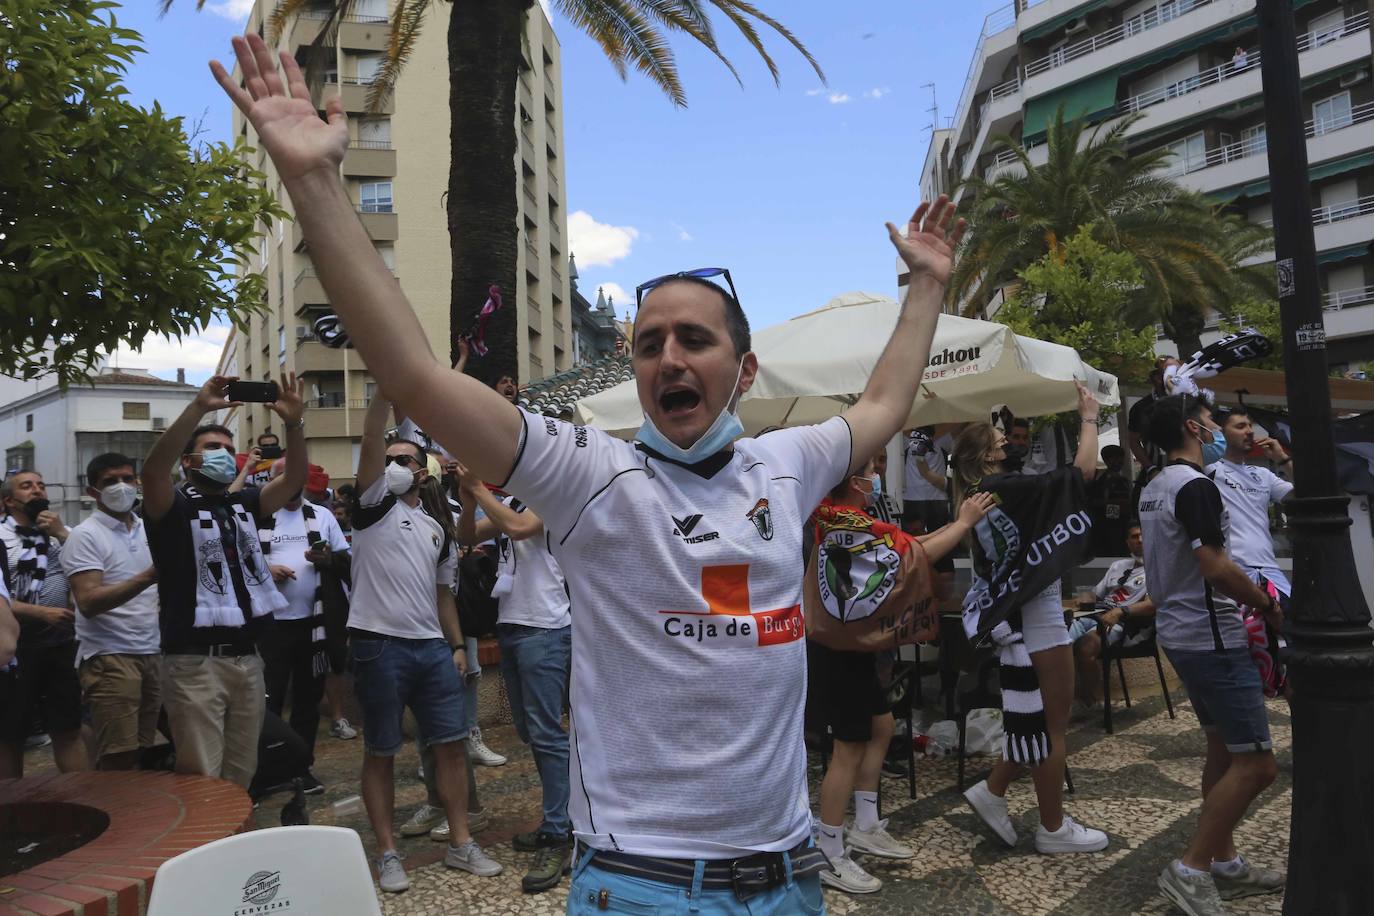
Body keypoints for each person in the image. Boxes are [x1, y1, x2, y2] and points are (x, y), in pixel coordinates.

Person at [212, 40, 959, 909]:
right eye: (648, 345)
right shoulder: (586, 472)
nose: (667, 357)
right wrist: (312, 181)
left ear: (743, 371)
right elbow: (416, 375)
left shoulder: (787, 463)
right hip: (643, 882)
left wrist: (925, 290)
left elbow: (882, 406)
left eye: (694, 339)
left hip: (785, 872)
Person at [811, 458, 994, 894]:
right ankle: (829, 848)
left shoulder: (848, 519)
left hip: (853, 647)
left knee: (882, 725)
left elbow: (907, 543)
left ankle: (867, 823)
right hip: (838, 652)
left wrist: (953, 524)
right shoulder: (848, 526)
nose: (877, 476)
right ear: (856, 482)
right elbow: (918, 553)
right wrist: (964, 522)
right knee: (848, 747)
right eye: (871, 469)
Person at [1139, 395, 1285, 914]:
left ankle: (1224, 862)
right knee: (1258, 765)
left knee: (1222, 751)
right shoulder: (1196, 486)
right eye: (1208, 420)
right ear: (1192, 428)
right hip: (1213, 637)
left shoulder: (1154, 486)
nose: (1215, 427)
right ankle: (1191, 867)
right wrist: (1267, 604)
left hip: (1180, 634)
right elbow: (1214, 564)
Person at [348, 394, 500, 891]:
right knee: (381, 750)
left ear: (423, 472)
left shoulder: (436, 528)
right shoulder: (370, 509)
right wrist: (383, 397)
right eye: (388, 460)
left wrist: (457, 647)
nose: (391, 464)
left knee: (452, 747)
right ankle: (388, 853)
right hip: (379, 645)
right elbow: (372, 439)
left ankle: (461, 843)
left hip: (432, 648)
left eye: (403, 460)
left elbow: (443, 596)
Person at [957, 386, 1111, 855]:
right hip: (1037, 622)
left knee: (1038, 722)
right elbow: (1082, 472)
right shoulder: (1005, 489)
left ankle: (994, 790)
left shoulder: (977, 496)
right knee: (1053, 728)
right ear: (987, 454)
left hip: (1024, 618)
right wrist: (1089, 417)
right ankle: (1053, 828)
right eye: (1002, 441)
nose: (1011, 444)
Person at [141, 374, 307, 789]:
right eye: (212, 448)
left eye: (230, 450)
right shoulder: (172, 509)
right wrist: (198, 407)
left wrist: (294, 424)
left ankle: (233, 846)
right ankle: (204, 849)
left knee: (241, 773)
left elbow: (293, 480)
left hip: (247, 660)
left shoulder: (243, 503)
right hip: (195, 663)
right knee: (202, 776)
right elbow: (153, 471)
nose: (224, 455)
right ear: (189, 461)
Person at [457, 456, 573, 894]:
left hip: (546, 627)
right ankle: (562, 818)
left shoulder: (553, 496)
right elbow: (466, 536)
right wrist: (469, 499)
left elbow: (522, 528)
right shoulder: (509, 500)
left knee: (546, 733)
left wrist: (479, 488)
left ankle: (559, 832)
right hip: (512, 625)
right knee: (529, 730)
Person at [258, 457, 352, 793]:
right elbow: (239, 562)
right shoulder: (258, 515)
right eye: (282, 476)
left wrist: (328, 558)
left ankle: (301, 768)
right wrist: (267, 571)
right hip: (270, 627)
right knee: (267, 704)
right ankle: (266, 773)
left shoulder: (322, 515)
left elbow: (345, 559)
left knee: (307, 704)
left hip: (313, 627)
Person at [62, 453, 161, 770]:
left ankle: (140, 815)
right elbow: (88, 602)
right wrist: (149, 576)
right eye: (110, 482)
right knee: (118, 756)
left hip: (153, 650)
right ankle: (118, 818)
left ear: (137, 482)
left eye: (127, 479)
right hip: (111, 656)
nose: (121, 487)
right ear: (93, 491)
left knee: (147, 749)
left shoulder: (149, 528)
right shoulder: (85, 535)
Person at [0, 470, 84, 777]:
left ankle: (78, 801)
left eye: (40, 485)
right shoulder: (1, 538)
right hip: (16, 650)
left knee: (67, 729)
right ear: (8, 500)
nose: (37, 491)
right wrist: (40, 613)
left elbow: (87, 574)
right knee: (10, 736)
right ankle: (11, 809)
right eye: (26, 487)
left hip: (60, 645)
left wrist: (62, 533)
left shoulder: (63, 533)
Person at [1207, 407, 1294, 598]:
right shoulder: (1210, 470)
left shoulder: (1262, 474)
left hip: (1269, 571)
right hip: (1234, 572)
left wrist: (1283, 458)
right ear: (1221, 433)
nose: (1249, 431)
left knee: (1290, 623)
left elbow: (1304, 495)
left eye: (1249, 426)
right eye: (1240, 426)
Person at [1067, 523, 1155, 710]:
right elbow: (1095, 594)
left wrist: (1120, 611)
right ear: (1127, 542)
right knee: (1060, 643)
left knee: (1086, 647)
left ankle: (1092, 699)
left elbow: (1151, 605)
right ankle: (1059, 700)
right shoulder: (1118, 566)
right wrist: (1084, 598)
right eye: (1134, 536)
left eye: (1142, 535)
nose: (1139, 540)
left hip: (1124, 622)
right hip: (1095, 614)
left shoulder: (1157, 570)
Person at [902, 425, 953, 534]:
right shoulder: (942, 441)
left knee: (919, 538)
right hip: (928, 498)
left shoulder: (941, 441)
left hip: (918, 498)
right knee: (937, 537)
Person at [1089, 444, 1133, 555]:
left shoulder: (1124, 481)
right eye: (1115, 458)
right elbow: (1095, 503)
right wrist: (1118, 507)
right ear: (1106, 460)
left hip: (1124, 525)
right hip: (1109, 528)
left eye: (1120, 458)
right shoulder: (1101, 482)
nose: (1119, 461)